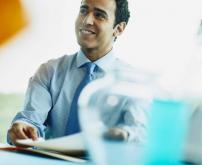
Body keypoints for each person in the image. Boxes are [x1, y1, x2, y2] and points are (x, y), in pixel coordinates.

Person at [7, 0, 147, 145]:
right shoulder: (49, 72)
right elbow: (31, 120)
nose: (87, 20)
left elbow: (139, 132)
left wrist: (123, 135)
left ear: (118, 28)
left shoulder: (133, 83)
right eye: (83, 11)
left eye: (99, 15)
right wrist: (22, 128)